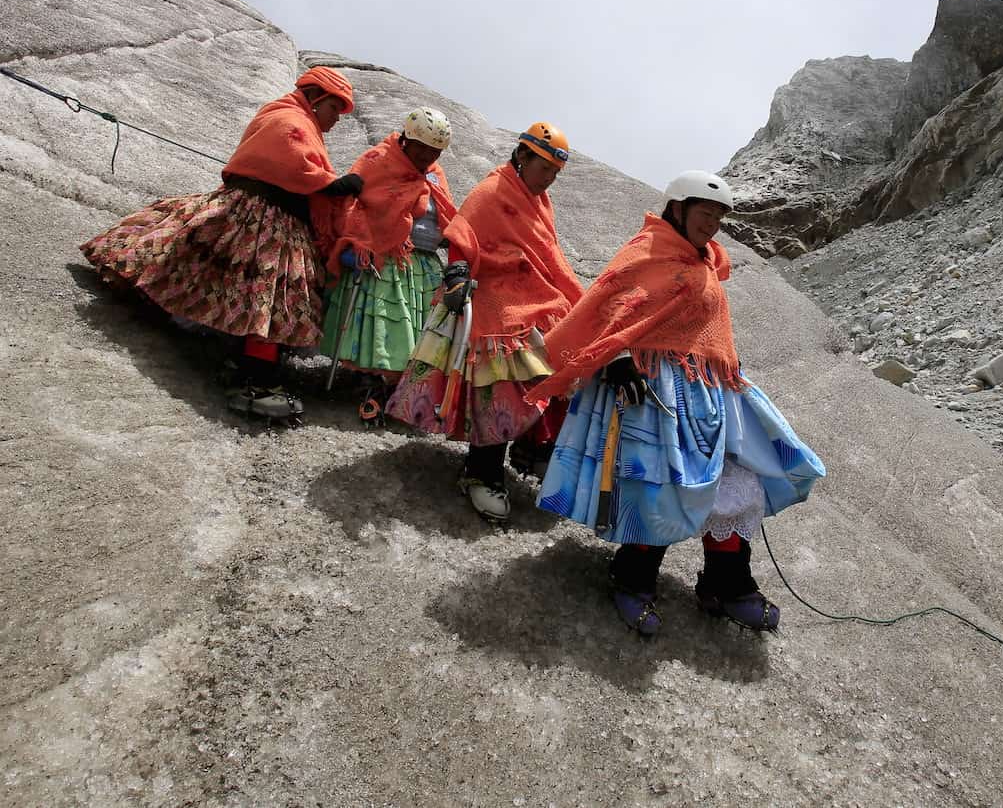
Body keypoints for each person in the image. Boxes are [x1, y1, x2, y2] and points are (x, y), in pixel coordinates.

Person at [530, 169, 824, 636]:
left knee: (736, 480)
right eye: (705, 212)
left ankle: (727, 584)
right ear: (678, 208)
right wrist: (618, 357)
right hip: (654, 393)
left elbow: (709, 332)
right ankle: (632, 581)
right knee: (659, 489)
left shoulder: (705, 262)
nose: (712, 223)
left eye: (719, 216)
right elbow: (609, 306)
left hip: (709, 391)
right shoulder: (646, 253)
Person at [80, 65, 364, 421]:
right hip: (263, 214)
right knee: (272, 296)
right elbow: (291, 164)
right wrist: (333, 185)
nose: (336, 118)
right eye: (334, 108)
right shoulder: (290, 120)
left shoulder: (296, 120)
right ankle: (253, 381)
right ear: (316, 98)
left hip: (272, 215)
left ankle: (232, 356)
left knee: (244, 285)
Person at [386, 122, 584, 523]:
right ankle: (482, 471)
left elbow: (548, 254)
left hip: (534, 294)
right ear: (522, 155)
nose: (548, 179)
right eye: (544, 167)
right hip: (491, 293)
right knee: (502, 382)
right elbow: (464, 235)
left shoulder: (540, 202)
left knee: (564, 369)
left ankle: (533, 452)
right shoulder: (492, 191)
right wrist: (457, 273)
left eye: (555, 173)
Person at [320, 108, 458, 422]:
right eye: (422, 148)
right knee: (389, 322)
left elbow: (446, 211)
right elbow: (353, 207)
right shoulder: (378, 160)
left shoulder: (435, 174)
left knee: (421, 330)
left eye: (434, 151)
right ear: (407, 139)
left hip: (425, 263)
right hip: (384, 256)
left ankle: (405, 389)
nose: (427, 156)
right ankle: (374, 384)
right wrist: (360, 240)